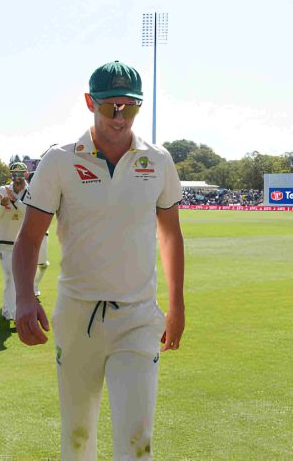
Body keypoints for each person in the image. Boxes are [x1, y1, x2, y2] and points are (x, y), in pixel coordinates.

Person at [13, 61, 185, 460]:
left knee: (137, 441)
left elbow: (171, 234)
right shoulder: (59, 160)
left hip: (138, 317)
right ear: (91, 102)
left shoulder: (158, 160)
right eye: (111, 106)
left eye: (130, 106)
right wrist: (24, 297)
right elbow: (29, 237)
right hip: (78, 316)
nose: (120, 116)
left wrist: (176, 305)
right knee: (77, 437)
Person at [0, 162, 48, 321]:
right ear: (10, 175)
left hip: (24, 243)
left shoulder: (31, 191)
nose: (17, 178)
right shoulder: (3, 190)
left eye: (20, 174)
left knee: (18, 279)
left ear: (26, 175)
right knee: (10, 277)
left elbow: (28, 213)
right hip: (4, 241)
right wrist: (2, 205)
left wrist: (14, 201)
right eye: (14, 174)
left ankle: (8, 310)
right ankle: (12, 312)